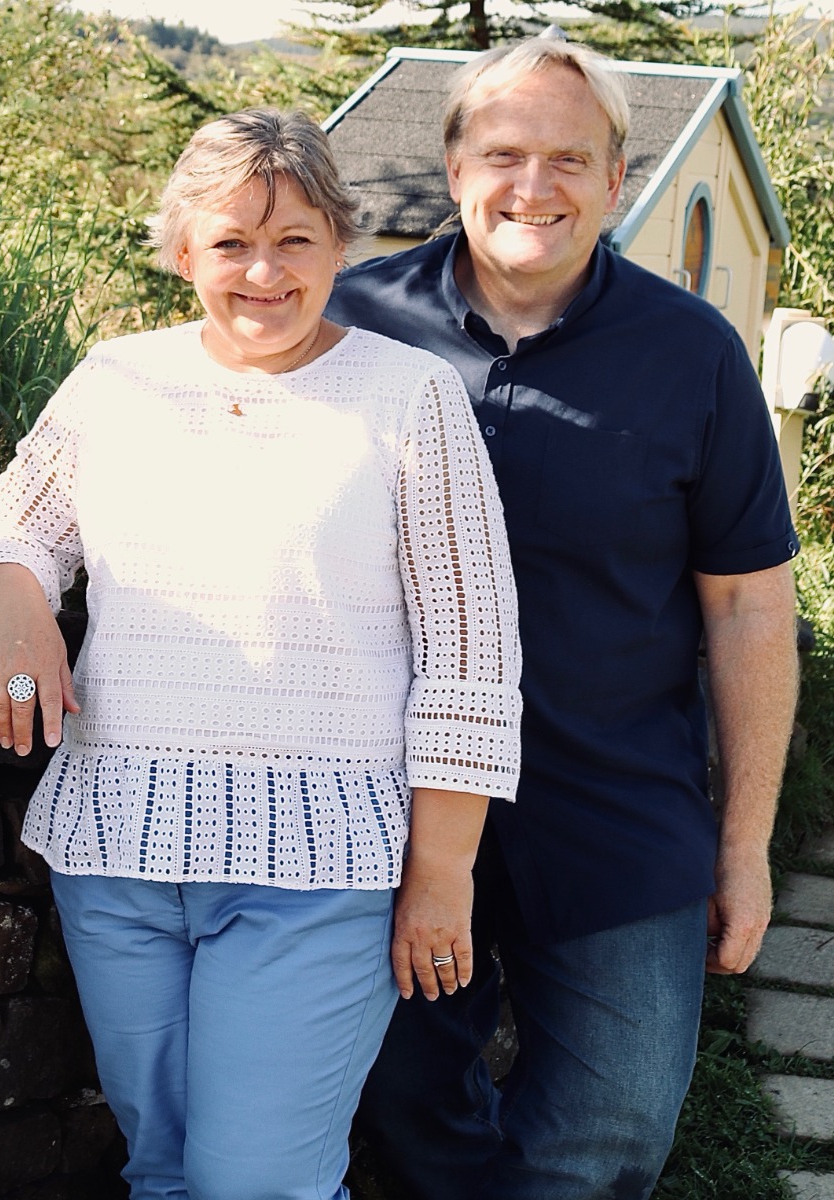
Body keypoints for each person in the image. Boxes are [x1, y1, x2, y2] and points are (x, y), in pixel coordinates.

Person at [0, 108, 522, 1200]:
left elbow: (473, 657)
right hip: (117, 849)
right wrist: (15, 611)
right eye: (229, 243)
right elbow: (2, 529)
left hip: (320, 868)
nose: (264, 271)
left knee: (255, 1184)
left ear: (341, 246)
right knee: (162, 1172)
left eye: (295, 239)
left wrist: (441, 874)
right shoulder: (118, 381)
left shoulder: (410, 399)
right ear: (179, 253)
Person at [325, 35, 800, 1200]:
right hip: (394, 803)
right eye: (504, 153)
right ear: (451, 168)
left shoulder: (694, 356)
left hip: (617, 809)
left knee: (617, 1125)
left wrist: (744, 847)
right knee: (395, 1098)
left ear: (617, 180)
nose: (533, 186)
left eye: (568, 159)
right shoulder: (350, 324)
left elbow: (748, 609)